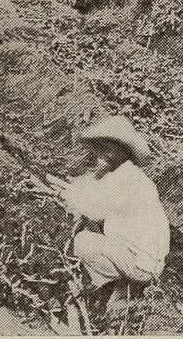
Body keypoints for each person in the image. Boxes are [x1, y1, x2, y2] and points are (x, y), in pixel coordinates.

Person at [46, 116, 169, 297]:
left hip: (140, 264)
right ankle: (112, 283)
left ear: (122, 152)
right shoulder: (131, 175)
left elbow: (94, 210)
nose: (102, 155)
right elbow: (93, 192)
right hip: (145, 262)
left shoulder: (125, 179)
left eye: (108, 150)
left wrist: (67, 195)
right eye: (102, 149)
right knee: (93, 234)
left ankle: (97, 287)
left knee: (83, 241)